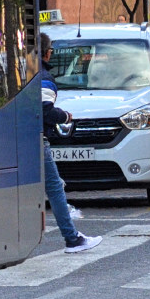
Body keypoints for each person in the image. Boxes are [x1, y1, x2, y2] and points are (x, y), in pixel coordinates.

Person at [41, 33, 101, 254]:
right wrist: (65, 116)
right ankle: (72, 238)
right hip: (38, 141)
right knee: (55, 188)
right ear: (48, 53)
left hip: (17, 139)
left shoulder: (24, 72)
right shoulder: (44, 77)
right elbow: (44, 110)